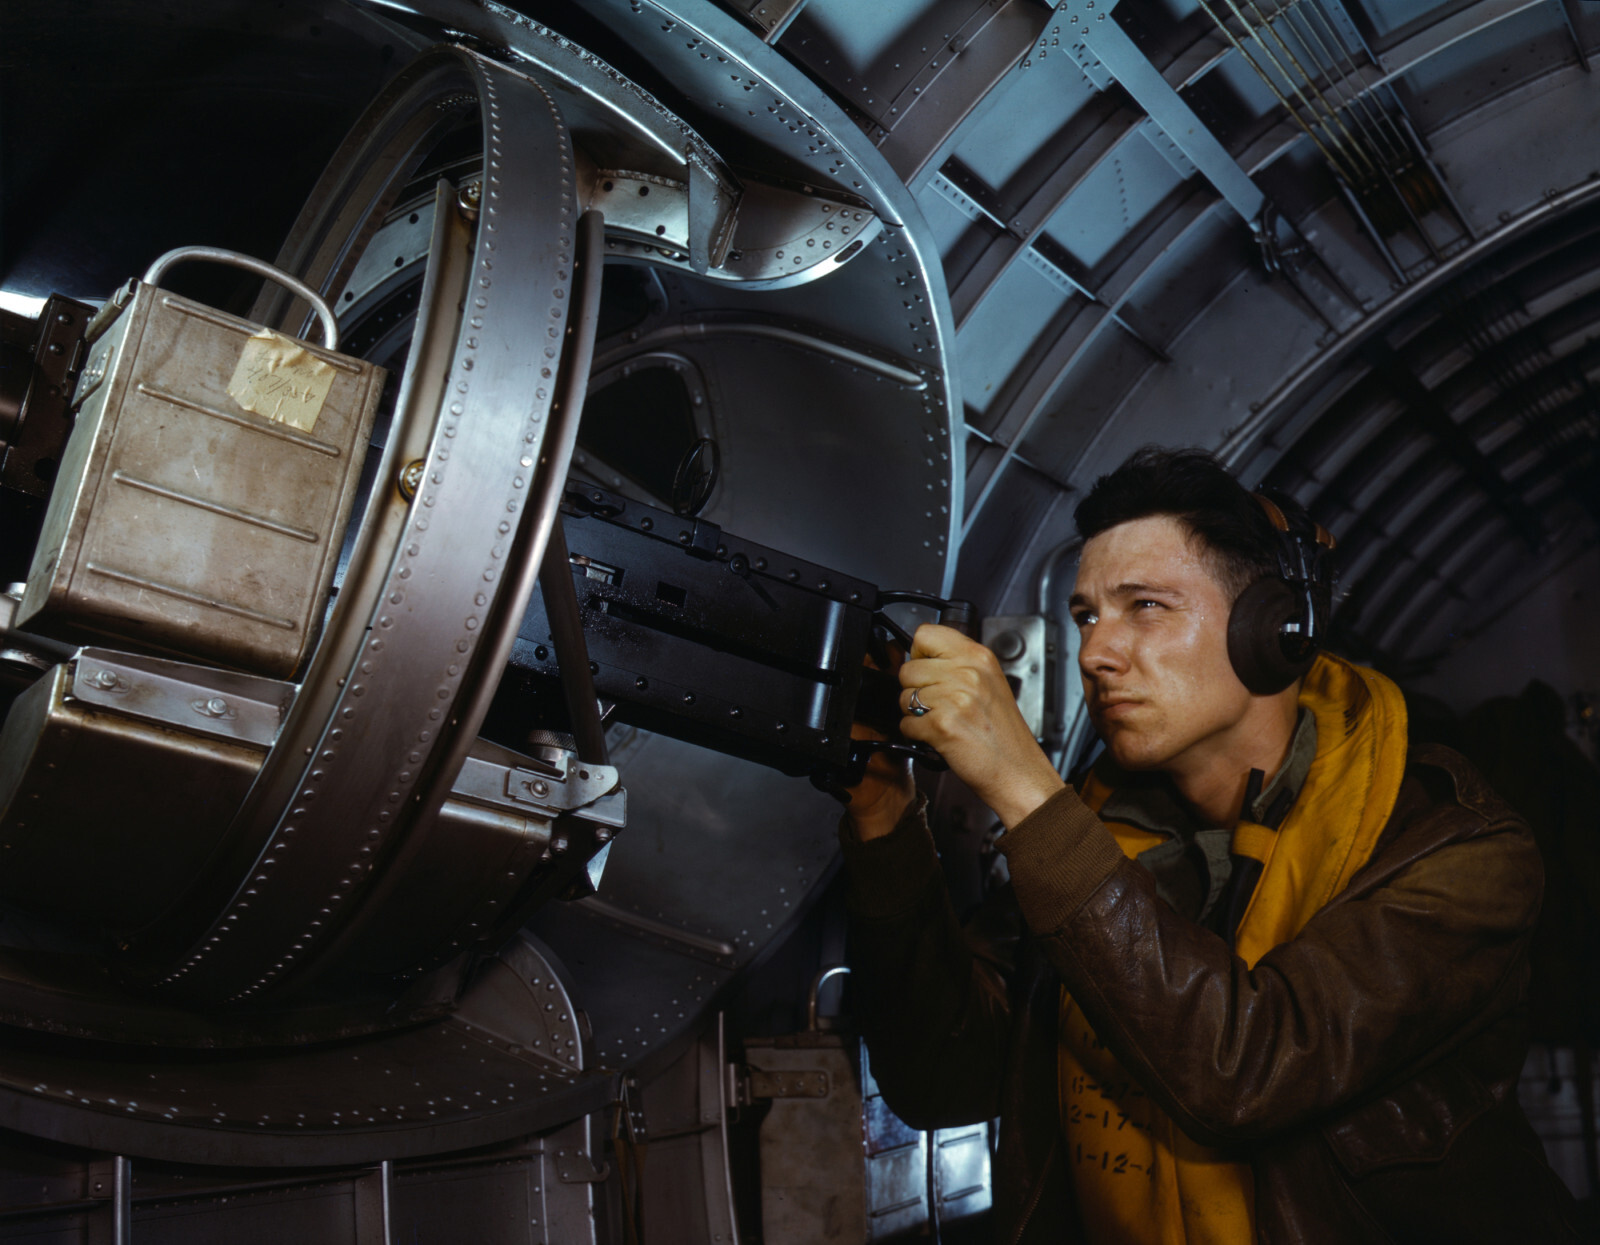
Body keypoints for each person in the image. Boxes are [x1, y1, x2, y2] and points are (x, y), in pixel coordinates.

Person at [839, 447, 1584, 1243]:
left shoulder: (1458, 850)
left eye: (1147, 606)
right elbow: (943, 1074)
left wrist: (1026, 790)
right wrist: (885, 811)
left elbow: (1246, 1072)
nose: (1096, 651)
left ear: (1276, 628)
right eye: (1087, 614)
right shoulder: (1097, 842)